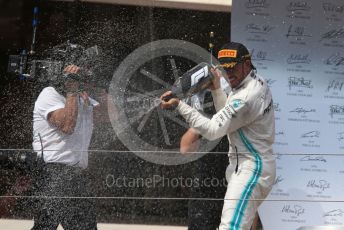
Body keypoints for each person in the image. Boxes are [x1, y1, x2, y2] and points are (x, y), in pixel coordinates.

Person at [160, 42, 276, 230]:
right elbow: (228, 118)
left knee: (230, 227)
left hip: (251, 168)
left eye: (234, 68)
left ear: (247, 64)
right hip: (242, 166)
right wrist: (216, 88)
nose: (229, 74)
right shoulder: (251, 82)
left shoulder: (246, 96)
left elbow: (214, 130)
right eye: (225, 68)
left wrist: (179, 105)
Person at [31, 43, 99, 230]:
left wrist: (102, 84)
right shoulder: (49, 94)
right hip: (53, 174)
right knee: (45, 227)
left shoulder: (81, 96)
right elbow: (67, 126)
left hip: (76, 175)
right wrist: (71, 88)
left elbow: (111, 118)